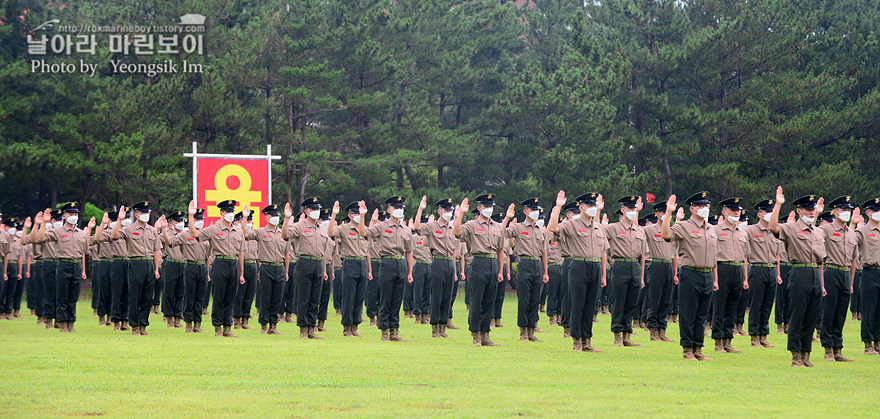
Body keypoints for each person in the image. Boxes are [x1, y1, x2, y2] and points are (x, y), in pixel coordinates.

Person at [768, 187, 825, 367]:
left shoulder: (817, 231)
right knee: (797, 315)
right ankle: (795, 355)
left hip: (815, 273)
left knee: (811, 316)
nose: (810, 212)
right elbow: (773, 227)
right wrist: (778, 205)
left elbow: (821, 259)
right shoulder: (792, 228)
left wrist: (822, 283)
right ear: (799, 211)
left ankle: (805, 354)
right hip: (799, 273)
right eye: (807, 209)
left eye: (812, 209)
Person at [547, 191, 609, 352]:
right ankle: (576, 340)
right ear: (581, 207)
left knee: (590, 305)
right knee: (577, 304)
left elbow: (603, 252)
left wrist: (603, 275)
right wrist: (558, 207)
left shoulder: (599, 228)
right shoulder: (573, 224)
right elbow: (553, 228)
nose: (592, 208)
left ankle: (587, 341)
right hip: (578, 266)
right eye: (589, 205)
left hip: (594, 266)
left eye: (594, 205)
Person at [661, 191, 719, 361]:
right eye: (701, 206)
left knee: (702, 315)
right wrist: (669, 213)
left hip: (707, 274)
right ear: (693, 208)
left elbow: (714, 257)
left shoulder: (710, 229)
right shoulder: (684, 226)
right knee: (688, 314)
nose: (704, 209)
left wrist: (715, 278)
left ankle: (698, 349)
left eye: (706, 206)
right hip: (690, 274)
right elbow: (666, 235)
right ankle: (687, 349)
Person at [28, 203, 93, 332]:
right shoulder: (57, 232)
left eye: (75, 214)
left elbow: (85, 252)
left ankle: (71, 323)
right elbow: (39, 238)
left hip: (77, 265)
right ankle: (62, 323)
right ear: (65, 216)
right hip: (63, 264)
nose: (73, 216)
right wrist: (43, 224)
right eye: (70, 214)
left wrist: (83, 269)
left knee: (73, 297)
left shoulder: (81, 234)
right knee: (62, 296)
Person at [186, 199, 246, 337]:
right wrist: (190, 216)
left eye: (232, 211)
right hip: (220, 263)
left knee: (231, 297)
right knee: (219, 296)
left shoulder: (239, 231)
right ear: (222, 213)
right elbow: (195, 234)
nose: (230, 214)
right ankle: (218, 327)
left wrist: (241, 273)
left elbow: (241, 252)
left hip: (234, 263)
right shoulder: (214, 229)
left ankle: (227, 327)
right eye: (228, 211)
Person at [358, 196, 414, 342]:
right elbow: (364, 233)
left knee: (397, 300)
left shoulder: (406, 230)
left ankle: (394, 331)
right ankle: (384, 331)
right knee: (385, 298)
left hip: (400, 264)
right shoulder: (382, 226)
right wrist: (363, 216)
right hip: (387, 263)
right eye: (396, 208)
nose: (399, 210)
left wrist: (409, 272)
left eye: (401, 208)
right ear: (389, 210)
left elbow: (409, 252)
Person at [454, 194, 505, 347]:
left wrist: (500, 270)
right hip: (478, 262)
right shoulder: (472, 224)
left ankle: (485, 334)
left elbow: (501, 250)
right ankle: (475, 333)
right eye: (485, 206)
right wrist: (461, 214)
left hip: (492, 263)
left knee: (490, 300)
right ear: (479, 208)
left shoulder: (497, 227)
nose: (488, 209)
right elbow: (456, 233)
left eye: (490, 206)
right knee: (476, 300)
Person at [106, 201, 162, 335]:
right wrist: (119, 220)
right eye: (143, 212)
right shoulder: (129, 229)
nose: (145, 215)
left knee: (147, 297)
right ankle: (134, 325)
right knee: (134, 296)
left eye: (147, 212)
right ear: (136, 214)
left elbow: (156, 250)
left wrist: (156, 269)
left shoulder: (152, 230)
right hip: (135, 263)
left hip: (149, 264)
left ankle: (143, 325)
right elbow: (114, 236)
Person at [502, 198, 550, 342]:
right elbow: (501, 233)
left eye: (537, 210)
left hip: (537, 265)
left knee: (535, 299)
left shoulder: (541, 230)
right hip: (524, 263)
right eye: (532, 209)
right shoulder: (518, 227)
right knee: (524, 299)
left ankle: (532, 329)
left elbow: (544, 252)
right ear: (525, 211)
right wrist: (507, 218)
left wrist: (546, 272)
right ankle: (523, 331)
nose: (535, 212)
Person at [817, 196, 858, 362]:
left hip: (845, 274)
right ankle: (828, 349)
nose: (846, 213)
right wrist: (821, 281)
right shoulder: (826, 229)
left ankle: (838, 349)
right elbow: (819, 255)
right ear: (834, 211)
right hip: (831, 272)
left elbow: (854, 259)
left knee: (841, 314)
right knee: (829, 313)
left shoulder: (851, 233)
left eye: (848, 210)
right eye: (843, 210)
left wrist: (852, 282)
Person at [283, 197, 331, 339]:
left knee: (315, 298)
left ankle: (311, 328)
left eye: (318, 208)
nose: (316, 211)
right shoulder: (300, 226)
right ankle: (303, 329)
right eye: (313, 209)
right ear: (307, 211)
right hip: (304, 262)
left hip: (318, 263)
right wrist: (286, 219)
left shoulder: (322, 229)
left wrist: (323, 270)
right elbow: (285, 235)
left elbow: (324, 251)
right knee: (304, 297)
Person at [603, 195, 647, 347]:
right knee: (619, 301)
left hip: (635, 266)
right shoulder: (613, 228)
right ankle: (617, 335)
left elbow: (642, 256)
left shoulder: (640, 231)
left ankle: (627, 335)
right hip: (620, 265)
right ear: (623, 210)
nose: (633, 211)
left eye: (634, 209)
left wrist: (641, 277)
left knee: (631, 303)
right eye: (630, 209)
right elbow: (599, 237)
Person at [239, 204, 288, 334]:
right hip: (266, 267)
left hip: (280, 267)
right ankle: (264, 325)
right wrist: (244, 218)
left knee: (277, 298)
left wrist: (286, 271)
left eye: (277, 215)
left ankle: (273, 326)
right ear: (266, 217)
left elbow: (287, 253)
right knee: (265, 298)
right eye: (272, 215)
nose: (275, 218)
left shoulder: (282, 233)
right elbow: (244, 234)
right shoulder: (260, 232)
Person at [711, 197, 749, 354]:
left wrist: (745, 277)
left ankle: (728, 340)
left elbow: (745, 257)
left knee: (733, 307)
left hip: (737, 269)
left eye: (738, 210)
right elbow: (712, 255)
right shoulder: (716, 230)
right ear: (724, 212)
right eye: (733, 210)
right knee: (720, 307)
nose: (736, 213)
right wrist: (714, 277)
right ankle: (718, 341)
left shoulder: (742, 233)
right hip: (722, 269)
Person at [330, 202, 372, 337]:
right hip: (349, 263)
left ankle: (355, 326)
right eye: (356, 213)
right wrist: (333, 215)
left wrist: (369, 269)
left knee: (360, 297)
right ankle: (347, 327)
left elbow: (368, 251)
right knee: (349, 296)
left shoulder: (365, 229)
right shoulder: (344, 228)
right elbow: (330, 233)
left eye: (360, 213)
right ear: (350, 215)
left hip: (362, 263)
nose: (358, 216)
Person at [745, 199, 783, 348]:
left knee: (768, 304)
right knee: (756, 304)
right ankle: (754, 336)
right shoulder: (751, 230)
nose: (770, 214)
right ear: (760, 214)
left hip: (771, 269)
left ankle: (763, 335)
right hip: (757, 268)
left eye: (771, 212)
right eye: (767, 212)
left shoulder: (775, 231)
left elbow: (778, 255)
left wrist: (778, 274)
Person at [643, 201, 678, 342]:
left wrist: (675, 273)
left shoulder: (672, 231)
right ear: (657, 214)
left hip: (668, 266)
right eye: (663, 212)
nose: (665, 215)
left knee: (666, 301)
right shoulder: (650, 230)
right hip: (656, 265)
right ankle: (653, 331)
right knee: (655, 299)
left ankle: (662, 330)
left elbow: (674, 253)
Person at [854, 198, 880, 354]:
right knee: (869, 309)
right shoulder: (862, 230)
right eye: (875, 210)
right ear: (868, 213)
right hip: (869, 272)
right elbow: (850, 243)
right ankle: (868, 344)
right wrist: (853, 225)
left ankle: (878, 341)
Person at [161, 210, 187, 328]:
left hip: (183, 264)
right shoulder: (166, 234)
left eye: (182, 220)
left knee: (181, 292)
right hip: (171, 263)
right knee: (169, 292)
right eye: (178, 221)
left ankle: (178, 317)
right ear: (171, 223)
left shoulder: (185, 233)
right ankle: (169, 317)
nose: (180, 223)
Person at [233, 211, 258, 330]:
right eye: (247, 220)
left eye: (250, 220)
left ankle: (245, 320)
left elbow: (258, 254)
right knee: (239, 294)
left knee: (249, 294)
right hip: (240, 265)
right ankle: (237, 320)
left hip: (253, 265)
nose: (249, 223)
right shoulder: (237, 234)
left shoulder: (254, 235)